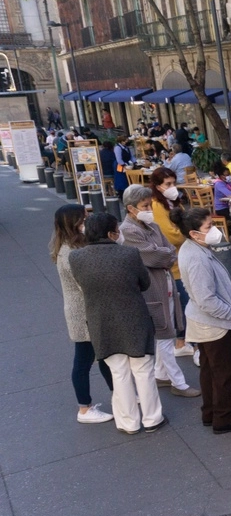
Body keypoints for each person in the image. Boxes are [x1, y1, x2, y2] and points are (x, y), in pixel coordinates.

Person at [68, 213, 167, 436]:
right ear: (112, 233)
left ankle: (128, 423)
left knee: (118, 372)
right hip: (134, 318)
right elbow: (144, 283)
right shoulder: (129, 254)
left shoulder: (76, 258)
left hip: (101, 321)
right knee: (143, 371)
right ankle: (153, 419)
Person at [171, 207, 231, 434]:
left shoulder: (193, 248)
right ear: (194, 234)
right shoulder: (197, 257)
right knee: (222, 372)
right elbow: (206, 299)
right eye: (209, 227)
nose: (214, 230)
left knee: (209, 370)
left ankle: (211, 412)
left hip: (204, 322)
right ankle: (223, 418)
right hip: (213, 324)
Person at [118, 185, 200, 399]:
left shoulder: (150, 225)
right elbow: (153, 256)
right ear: (131, 208)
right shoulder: (128, 230)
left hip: (164, 282)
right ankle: (178, 382)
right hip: (151, 289)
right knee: (164, 334)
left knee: (167, 330)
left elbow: (168, 251)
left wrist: (163, 254)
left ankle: (161, 374)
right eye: (144, 206)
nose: (149, 209)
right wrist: (163, 255)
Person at [50, 205, 115, 425]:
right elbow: (84, 284)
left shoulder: (71, 246)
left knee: (102, 357)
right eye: (83, 218)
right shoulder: (70, 252)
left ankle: (118, 395)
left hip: (86, 311)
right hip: (83, 313)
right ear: (74, 223)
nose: (87, 221)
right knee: (84, 361)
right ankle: (84, 408)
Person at [149, 167, 195, 359]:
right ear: (158, 186)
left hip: (181, 258)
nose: (172, 187)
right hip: (173, 263)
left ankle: (183, 340)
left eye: (173, 183)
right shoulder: (157, 205)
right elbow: (169, 234)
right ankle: (181, 341)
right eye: (168, 184)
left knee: (185, 301)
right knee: (182, 303)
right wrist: (189, 236)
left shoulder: (172, 202)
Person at [212, 164, 231, 238]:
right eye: (227, 175)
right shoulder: (219, 184)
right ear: (221, 176)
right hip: (221, 208)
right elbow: (230, 194)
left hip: (229, 205)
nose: (229, 176)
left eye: (229, 174)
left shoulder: (228, 182)